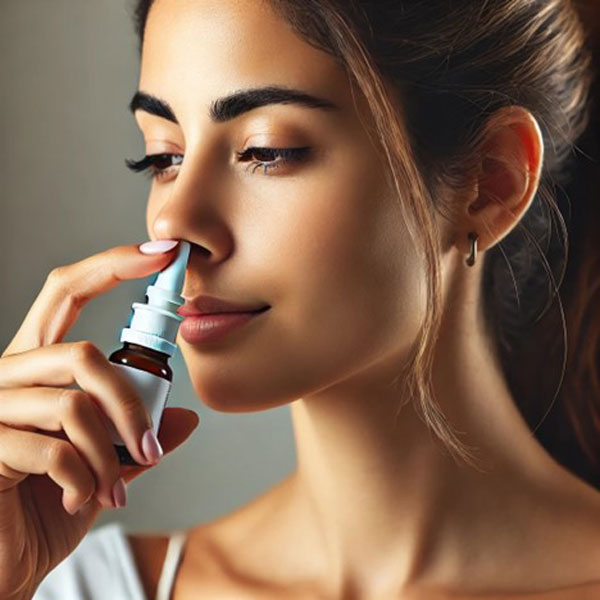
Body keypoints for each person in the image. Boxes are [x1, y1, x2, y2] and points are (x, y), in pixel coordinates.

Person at [2, 0, 599, 598]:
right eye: (164, 157)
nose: (175, 221)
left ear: (489, 182)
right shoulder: (80, 585)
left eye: (267, 150)